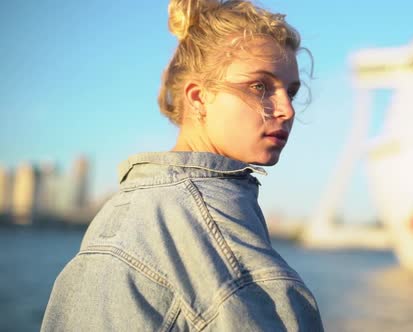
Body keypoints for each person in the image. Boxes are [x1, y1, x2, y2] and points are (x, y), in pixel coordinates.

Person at [41, 0, 324, 330]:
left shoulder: (145, 209)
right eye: (260, 86)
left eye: (291, 91)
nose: (287, 110)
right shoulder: (200, 228)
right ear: (198, 97)